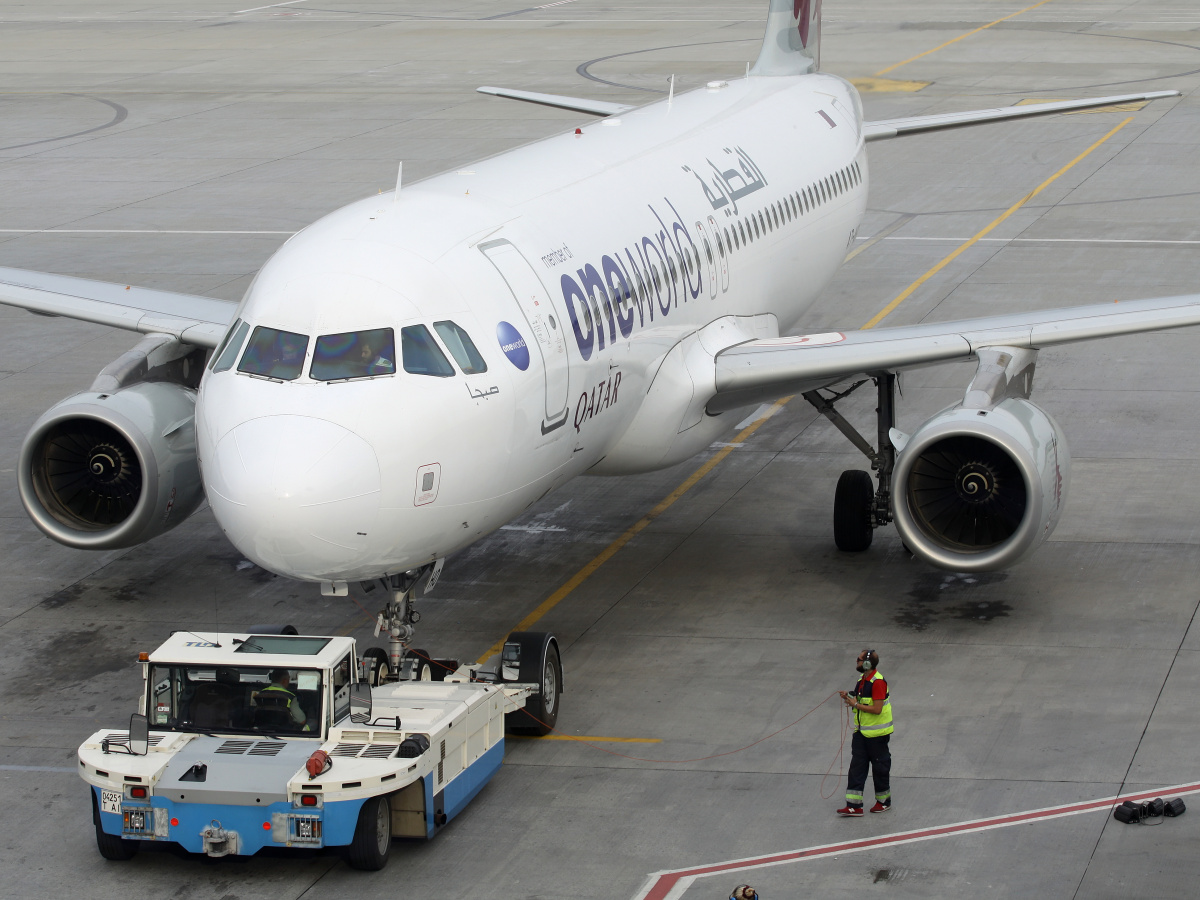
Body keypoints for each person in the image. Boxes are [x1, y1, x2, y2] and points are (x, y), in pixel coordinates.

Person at [836, 648, 893, 816]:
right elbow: (860, 698)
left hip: (877, 736)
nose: (857, 662)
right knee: (856, 768)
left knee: (880, 768)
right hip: (861, 733)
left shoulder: (878, 683)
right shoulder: (862, 679)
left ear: (867, 663)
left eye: (859, 660)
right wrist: (849, 696)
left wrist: (855, 705)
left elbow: (876, 709)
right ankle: (854, 805)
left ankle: (883, 802)